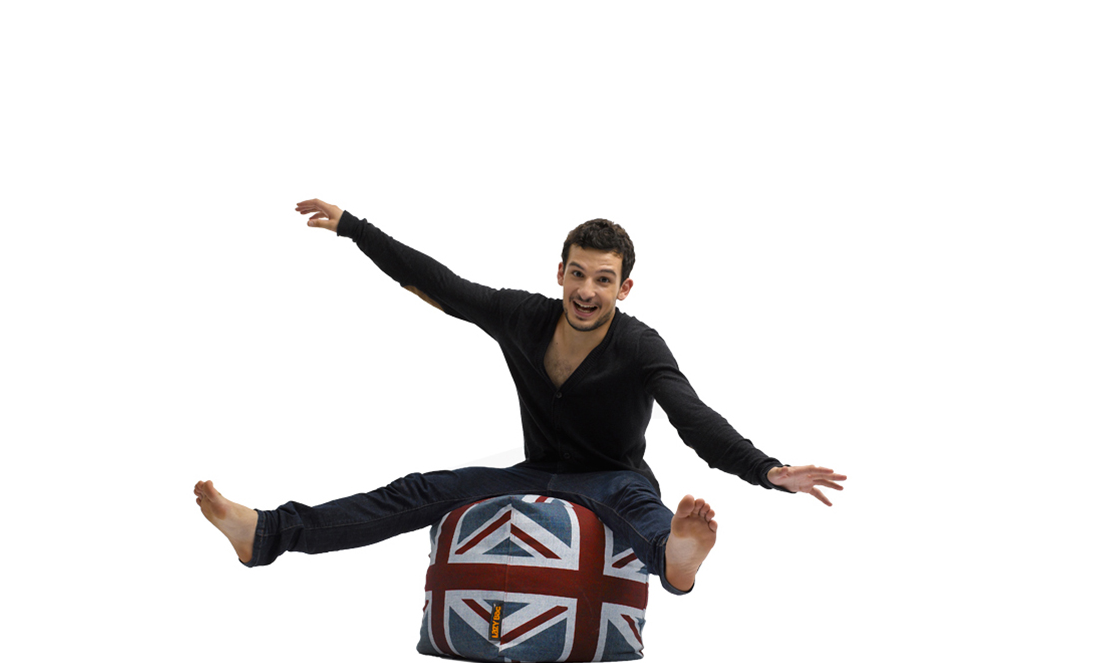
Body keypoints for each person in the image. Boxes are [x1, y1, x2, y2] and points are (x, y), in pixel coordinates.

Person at [194, 199, 846, 594]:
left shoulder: (640, 347)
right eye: (577, 274)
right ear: (559, 272)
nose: (586, 290)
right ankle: (265, 533)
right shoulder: (524, 317)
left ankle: (676, 561)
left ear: (624, 289)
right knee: (421, 489)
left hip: (613, 478)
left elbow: (694, 418)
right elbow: (439, 283)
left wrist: (767, 469)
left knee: (643, 508)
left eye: (604, 280)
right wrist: (354, 228)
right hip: (537, 472)